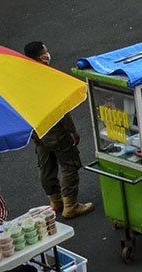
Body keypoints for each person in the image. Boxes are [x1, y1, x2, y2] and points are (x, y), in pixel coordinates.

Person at [21, 42, 94, 218]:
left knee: (46, 166)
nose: (48, 54)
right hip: (55, 130)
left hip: (37, 129)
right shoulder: (46, 76)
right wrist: (71, 130)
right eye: (46, 52)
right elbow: (60, 108)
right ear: (41, 57)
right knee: (69, 164)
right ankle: (70, 205)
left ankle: (55, 202)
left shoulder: (22, 76)